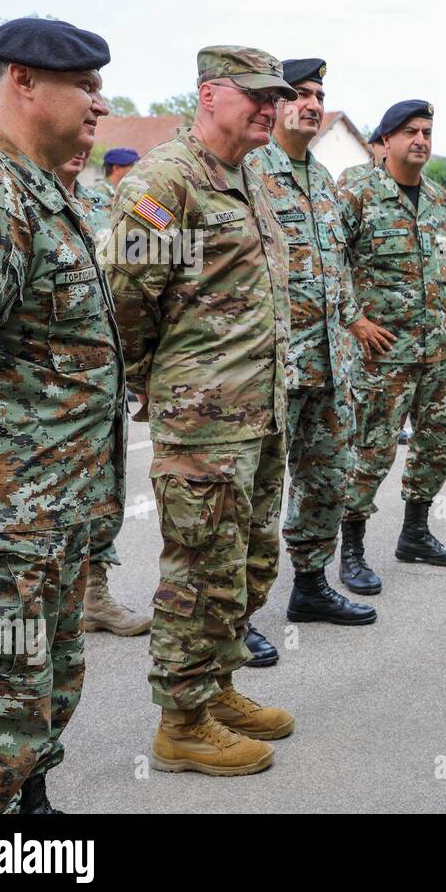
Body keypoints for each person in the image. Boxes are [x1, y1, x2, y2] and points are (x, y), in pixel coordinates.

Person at [0, 18, 124, 813]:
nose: (100, 103)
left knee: (32, 720)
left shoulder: (42, 187)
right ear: (22, 80)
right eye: (84, 85)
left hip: (49, 528)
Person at [104, 45, 296, 776]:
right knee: (198, 573)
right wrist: (168, 384)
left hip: (258, 415)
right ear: (210, 95)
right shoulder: (167, 181)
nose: (270, 108)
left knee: (245, 565)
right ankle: (180, 724)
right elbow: (125, 301)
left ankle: (215, 691)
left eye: (275, 96)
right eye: (256, 95)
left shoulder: (248, 177)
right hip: (204, 423)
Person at [243, 57, 382, 638]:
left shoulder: (323, 179)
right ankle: (236, 615)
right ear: (273, 104)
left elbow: (338, 266)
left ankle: (310, 586)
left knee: (326, 480)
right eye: (299, 94)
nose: (312, 104)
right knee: (257, 493)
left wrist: (351, 321)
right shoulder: (248, 171)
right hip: (273, 369)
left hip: (329, 366)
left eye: (319, 95)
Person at [338, 100, 446, 580]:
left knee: (439, 443)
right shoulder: (357, 192)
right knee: (370, 452)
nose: (421, 140)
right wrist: (353, 320)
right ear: (387, 139)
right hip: (381, 356)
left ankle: (414, 534)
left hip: (435, 352)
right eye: (410, 132)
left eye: (427, 132)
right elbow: (327, 261)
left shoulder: (437, 198)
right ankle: (351, 550)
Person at [53, 151, 151, 637]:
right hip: (48, 392)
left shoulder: (108, 204)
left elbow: (141, 281)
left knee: (107, 492)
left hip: (106, 382)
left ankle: (94, 597)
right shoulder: (20, 203)